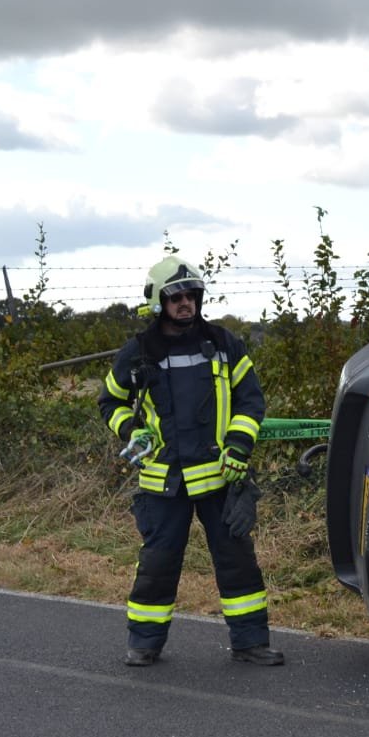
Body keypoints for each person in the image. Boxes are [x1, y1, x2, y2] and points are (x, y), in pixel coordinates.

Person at [97, 255, 284, 667]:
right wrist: (131, 430)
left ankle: (250, 642)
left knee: (237, 563)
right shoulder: (138, 351)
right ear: (157, 301)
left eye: (191, 295)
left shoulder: (223, 344)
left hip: (220, 475)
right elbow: (110, 401)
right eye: (175, 296)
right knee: (158, 563)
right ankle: (144, 643)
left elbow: (251, 400)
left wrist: (238, 446)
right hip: (163, 482)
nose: (185, 303)